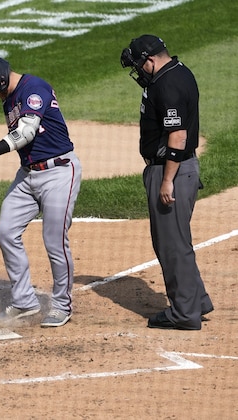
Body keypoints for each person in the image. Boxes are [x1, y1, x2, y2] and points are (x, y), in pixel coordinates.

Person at [0, 54, 82, 327]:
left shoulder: (33, 90)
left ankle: (62, 306)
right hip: (28, 175)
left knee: (54, 242)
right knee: (6, 232)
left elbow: (27, 132)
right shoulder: (10, 95)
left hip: (59, 173)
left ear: (1, 81)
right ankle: (25, 301)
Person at [120, 35, 213, 330]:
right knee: (177, 241)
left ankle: (184, 313)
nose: (139, 71)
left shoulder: (167, 85)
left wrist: (167, 181)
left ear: (150, 59)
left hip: (171, 170)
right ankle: (196, 300)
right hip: (178, 168)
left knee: (171, 246)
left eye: (139, 65)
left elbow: (178, 136)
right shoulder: (179, 71)